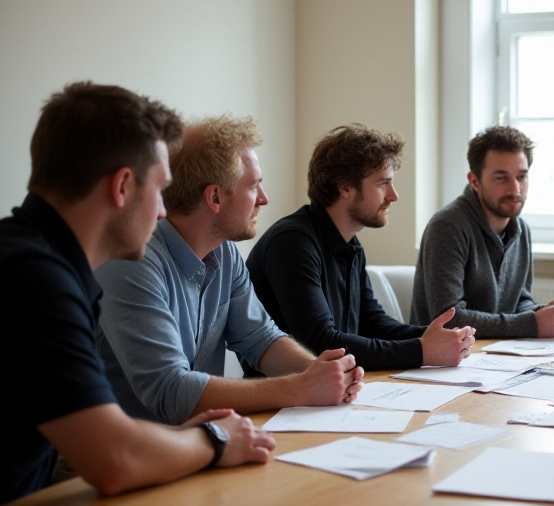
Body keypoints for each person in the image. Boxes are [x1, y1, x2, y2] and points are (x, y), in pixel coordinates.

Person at [2, 83, 275, 503]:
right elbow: (114, 460)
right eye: (160, 189)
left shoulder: (37, 258)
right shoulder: (36, 280)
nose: (165, 210)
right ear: (123, 186)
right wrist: (214, 440)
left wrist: (181, 443)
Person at [94, 115, 364, 426]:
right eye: (254, 186)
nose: (263, 198)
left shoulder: (223, 252)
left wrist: (319, 371)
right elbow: (170, 392)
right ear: (215, 197)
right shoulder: (130, 261)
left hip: (196, 442)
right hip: (118, 462)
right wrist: (300, 387)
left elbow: (261, 339)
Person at [245, 124, 476, 373]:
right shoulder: (292, 242)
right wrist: (421, 350)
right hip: (284, 401)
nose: (394, 195)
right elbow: (321, 343)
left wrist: (435, 337)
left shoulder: (351, 245)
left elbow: (371, 321)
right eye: (382, 184)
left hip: (334, 389)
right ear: (344, 187)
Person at [411, 126, 554, 338]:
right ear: (475, 181)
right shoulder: (447, 227)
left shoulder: (521, 229)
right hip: (442, 364)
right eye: (501, 178)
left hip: (495, 357)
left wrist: (547, 315)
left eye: (521, 177)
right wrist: (532, 323)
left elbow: (519, 301)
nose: (515, 190)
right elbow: (450, 319)